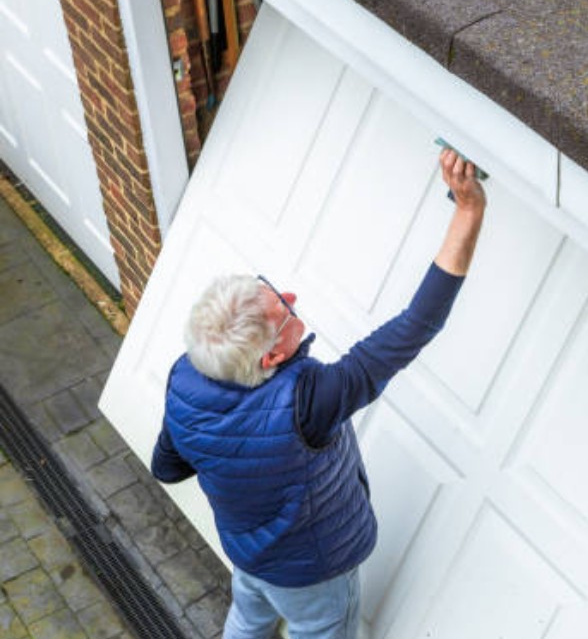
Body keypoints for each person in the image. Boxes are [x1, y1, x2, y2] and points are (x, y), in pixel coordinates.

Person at [150, 148, 486, 639]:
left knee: (248, 619)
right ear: (272, 357)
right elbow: (417, 325)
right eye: (282, 312)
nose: (291, 298)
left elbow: (168, 466)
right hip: (314, 575)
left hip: (248, 556)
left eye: (269, 288)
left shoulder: (184, 379)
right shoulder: (306, 404)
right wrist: (469, 209)